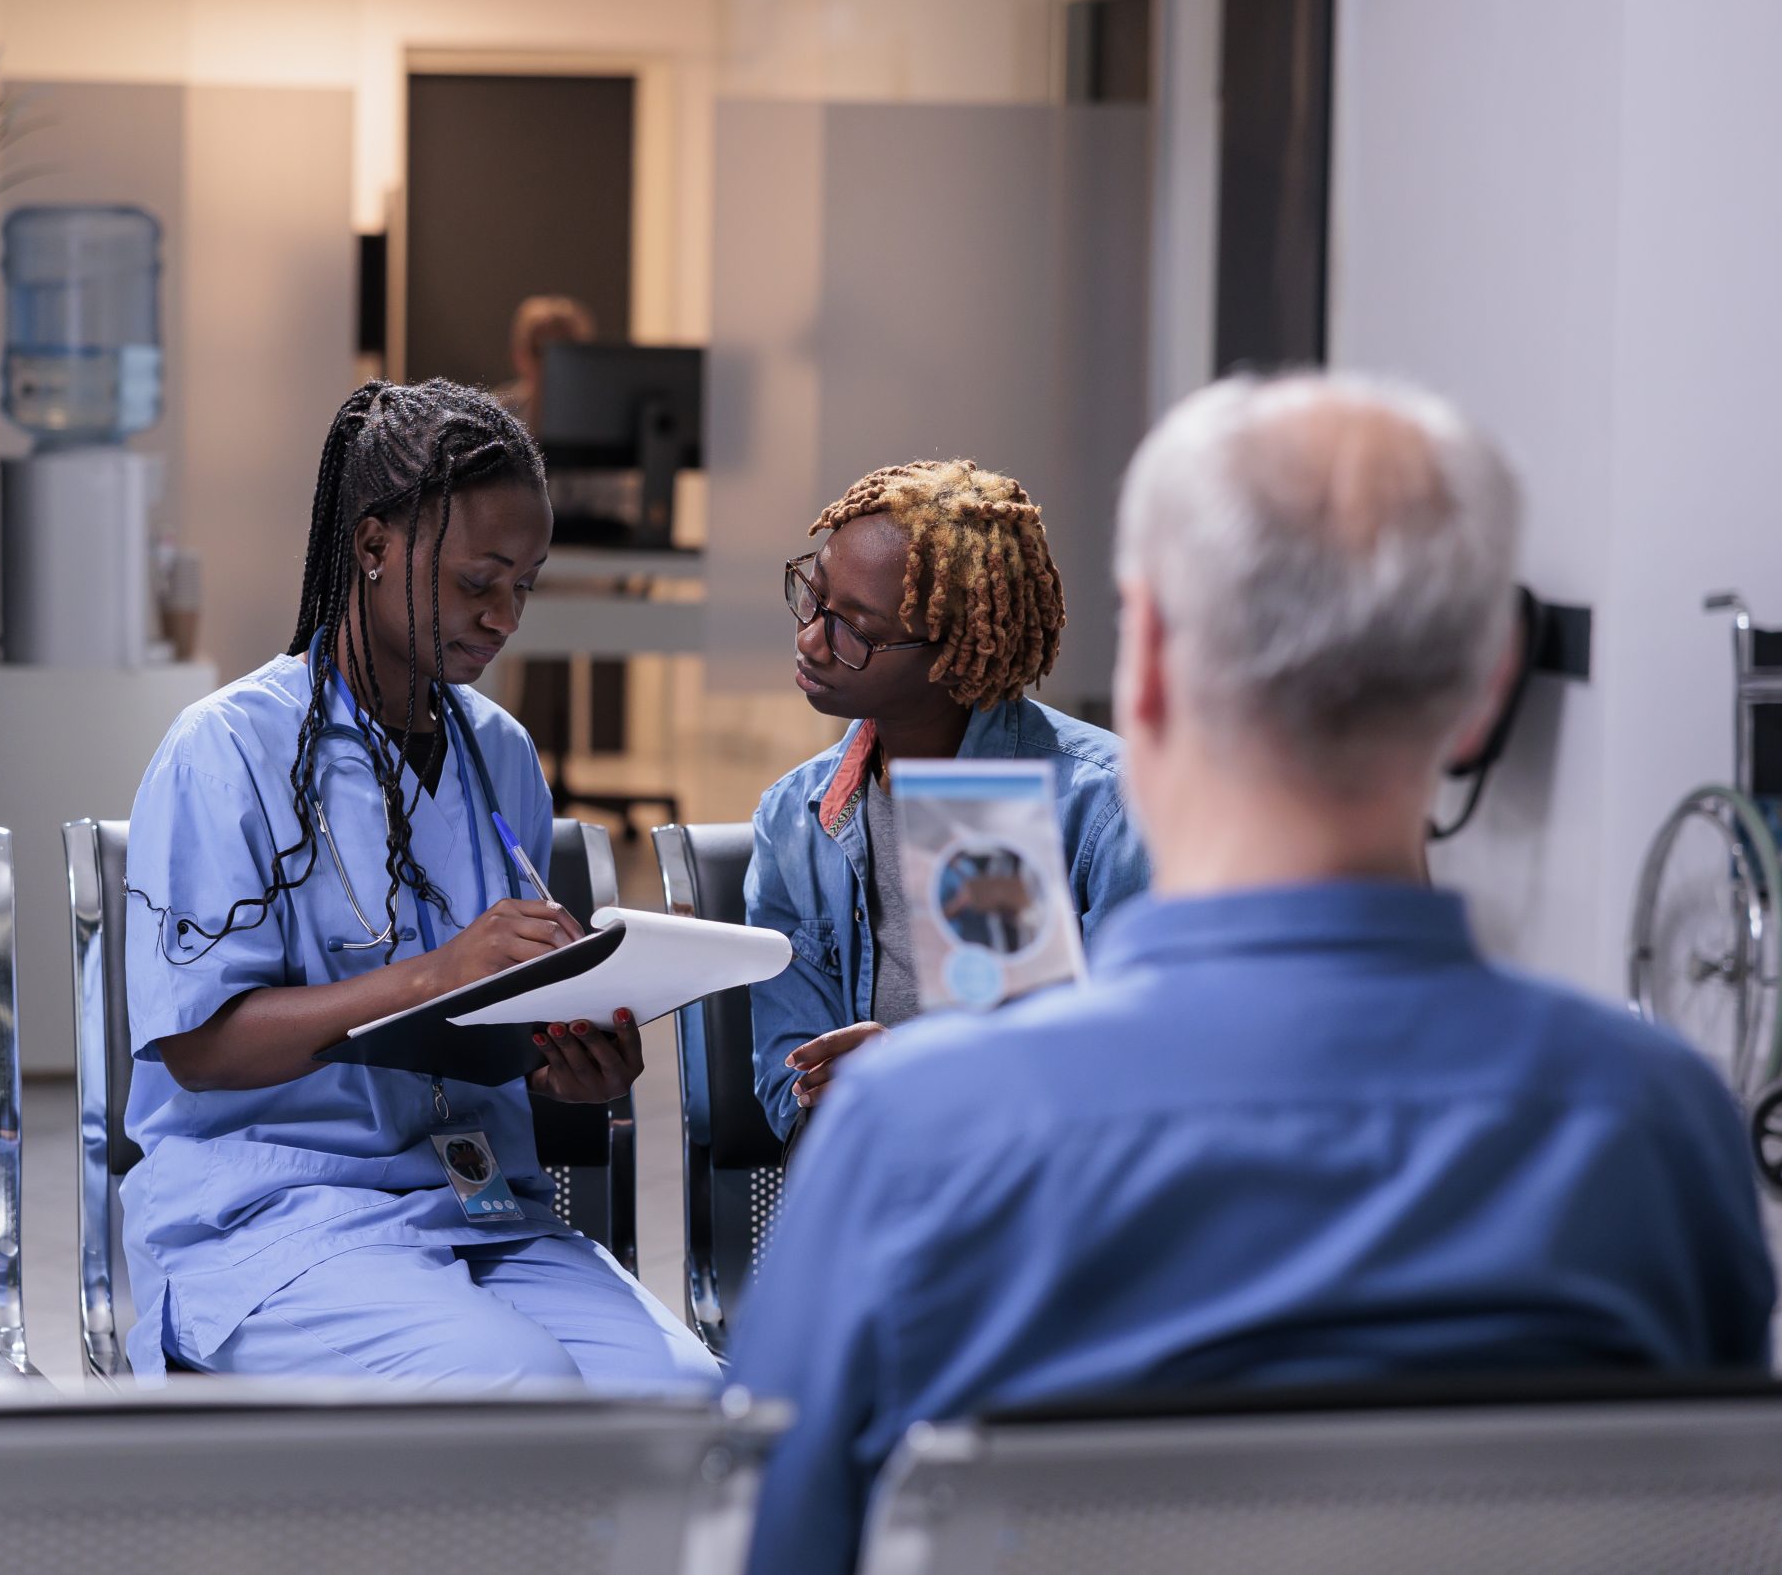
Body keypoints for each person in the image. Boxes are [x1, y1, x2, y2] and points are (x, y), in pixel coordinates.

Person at [728, 374, 1776, 1575]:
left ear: (1154, 668)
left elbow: (773, 1540)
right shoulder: (1656, 1130)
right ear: (1487, 687)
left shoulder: (917, 1138)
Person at [119, 377, 719, 1389]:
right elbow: (198, 1050)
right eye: (476, 582)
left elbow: (482, 1039)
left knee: (683, 1398)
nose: (501, 619)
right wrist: (436, 974)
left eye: (523, 588)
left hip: (478, 1206)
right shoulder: (227, 749)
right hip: (279, 1217)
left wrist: (571, 1063)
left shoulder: (500, 753)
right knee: (513, 1383)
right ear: (372, 547)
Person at [742, 460, 1149, 1140]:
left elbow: (1140, 1059)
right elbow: (790, 1082)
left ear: (952, 655)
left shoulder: (1104, 806)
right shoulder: (795, 818)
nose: (811, 638)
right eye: (812, 598)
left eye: (855, 629)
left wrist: (915, 1069)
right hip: (875, 1177)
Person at [491, 293, 595, 436]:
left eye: (564, 354)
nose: (551, 364)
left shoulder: (597, 414)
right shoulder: (500, 410)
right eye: (540, 351)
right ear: (519, 355)